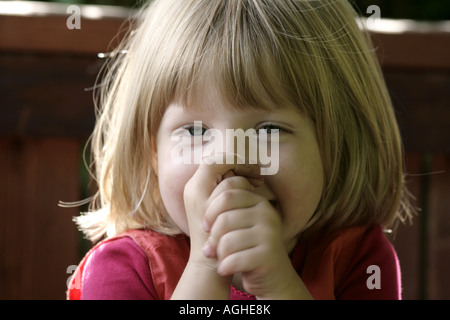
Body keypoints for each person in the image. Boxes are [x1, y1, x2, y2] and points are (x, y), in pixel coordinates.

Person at [67, 0, 414, 300]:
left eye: (269, 130)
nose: (229, 160)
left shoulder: (360, 260)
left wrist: (277, 285)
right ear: (152, 152)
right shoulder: (121, 269)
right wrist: (206, 267)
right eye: (195, 130)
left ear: (336, 146)